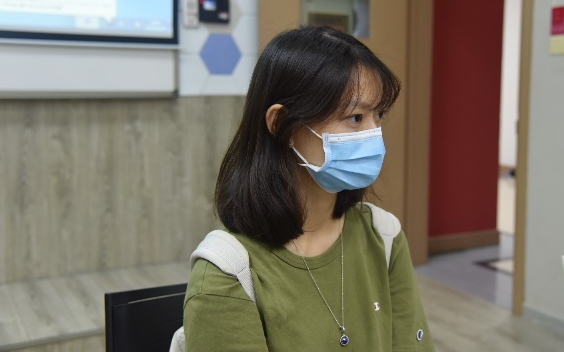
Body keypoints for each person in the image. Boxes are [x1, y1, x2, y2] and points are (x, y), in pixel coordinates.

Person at [183, 26, 435, 351]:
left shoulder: (384, 236)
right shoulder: (228, 272)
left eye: (380, 115)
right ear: (281, 124)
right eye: (356, 118)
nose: (374, 135)